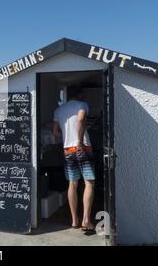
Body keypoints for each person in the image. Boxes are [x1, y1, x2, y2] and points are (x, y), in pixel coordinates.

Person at [53, 86, 95, 232]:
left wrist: (67, 135)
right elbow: (81, 118)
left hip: (67, 150)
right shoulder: (82, 105)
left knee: (72, 184)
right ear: (80, 94)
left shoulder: (58, 111)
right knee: (89, 182)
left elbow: (56, 133)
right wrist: (79, 141)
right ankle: (86, 220)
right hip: (83, 147)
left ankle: (74, 220)